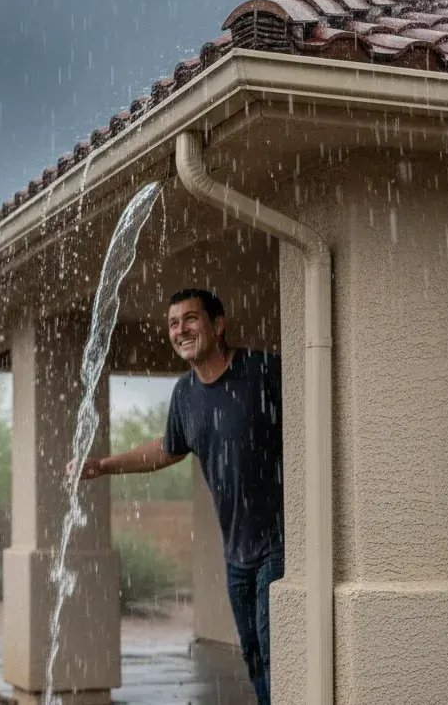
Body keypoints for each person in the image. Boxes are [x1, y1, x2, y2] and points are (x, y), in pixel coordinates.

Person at [67, 288, 284, 705]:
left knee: (277, 650)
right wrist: (103, 465)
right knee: (254, 655)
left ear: (218, 325)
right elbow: (168, 449)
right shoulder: (185, 394)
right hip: (237, 552)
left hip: (281, 543)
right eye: (172, 323)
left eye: (190, 319)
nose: (180, 329)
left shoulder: (262, 371)